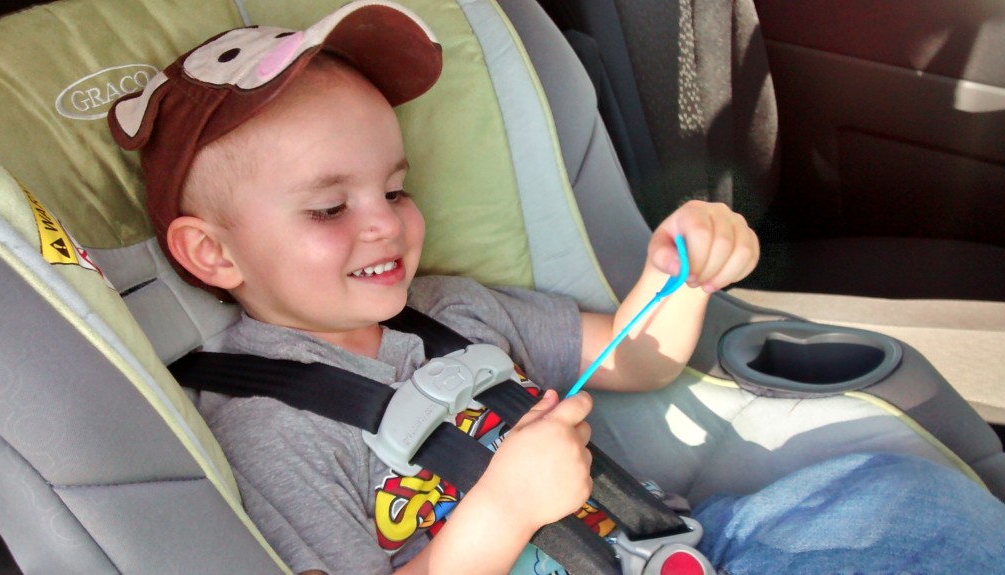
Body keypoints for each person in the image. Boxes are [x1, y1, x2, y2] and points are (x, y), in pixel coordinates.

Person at [108, 2, 1005, 574]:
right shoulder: (267, 429)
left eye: (395, 190)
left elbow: (639, 360)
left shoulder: (455, 310)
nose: (384, 223)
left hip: (672, 543)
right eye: (329, 207)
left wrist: (676, 273)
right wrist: (501, 509)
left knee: (908, 496)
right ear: (212, 254)